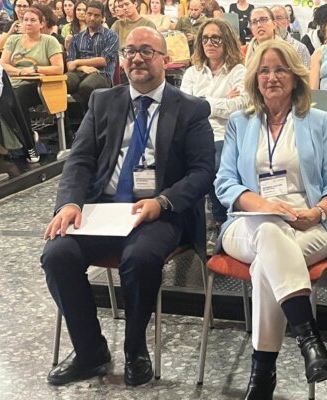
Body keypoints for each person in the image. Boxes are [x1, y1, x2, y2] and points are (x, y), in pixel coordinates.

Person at [41, 26, 215, 387]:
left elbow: (202, 172)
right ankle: (90, 351)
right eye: (130, 51)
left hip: (159, 212)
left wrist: (162, 201)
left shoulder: (191, 109)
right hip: (104, 209)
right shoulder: (102, 100)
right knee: (57, 253)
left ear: (165, 59)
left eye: (147, 51)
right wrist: (69, 204)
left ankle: (136, 348)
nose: (137, 58)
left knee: (140, 257)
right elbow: (80, 160)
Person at [215, 38, 327, 400]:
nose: (271, 77)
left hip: (309, 223)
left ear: (295, 77)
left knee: (268, 264)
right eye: (264, 70)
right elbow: (225, 182)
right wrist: (262, 204)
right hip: (248, 221)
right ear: (254, 78)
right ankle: (308, 336)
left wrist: (318, 211)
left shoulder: (317, 121)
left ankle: (262, 373)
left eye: (280, 69)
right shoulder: (240, 122)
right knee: (268, 230)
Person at [180, 18, 248, 240]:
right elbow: (185, 108)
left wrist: (203, 101)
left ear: (226, 40)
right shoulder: (192, 73)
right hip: (195, 133)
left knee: (215, 165)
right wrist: (221, 101)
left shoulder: (238, 71)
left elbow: (240, 106)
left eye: (216, 38)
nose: (209, 43)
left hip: (225, 134)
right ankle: (198, 224)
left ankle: (220, 221)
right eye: (205, 38)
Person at [0, 6, 64, 163]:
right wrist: (20, 72)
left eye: (33, 20)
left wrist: (35, 69)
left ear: (41, 24)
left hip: (38, 85)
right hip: (12, 83)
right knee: (4, 100)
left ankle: (29, 145)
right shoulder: (13, 40)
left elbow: (58, 68)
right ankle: (9, 146)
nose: (28, 23)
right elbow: (4, 65)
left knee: (17, 98)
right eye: (25, 20)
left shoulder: (49, 41)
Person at [66, 1, 118, 110]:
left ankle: (87, 118)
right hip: (79, 72)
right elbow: (70, 64)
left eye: (96, 15)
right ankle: (63, 120)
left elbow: (103, 60)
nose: (92, 18)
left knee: (86, 86)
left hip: (102, 74)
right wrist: (81, 67)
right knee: (63, 82)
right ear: (85, 15)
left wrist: (78, 62)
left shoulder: (111, 35)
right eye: (89, 14)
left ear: (102, 17)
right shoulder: (77, 38)